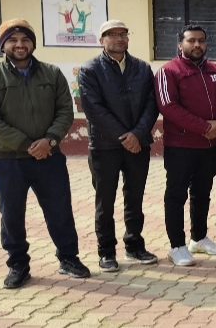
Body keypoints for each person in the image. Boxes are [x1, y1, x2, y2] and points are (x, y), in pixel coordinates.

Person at [0, 19, 89, 288]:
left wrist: (49, 140)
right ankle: (18, 265)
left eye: (25, 39)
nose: (20, 45)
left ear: (33, 43)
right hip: (9, 159)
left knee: (60, 210)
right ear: (3, 45)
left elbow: (65, 111)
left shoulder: (52, 74)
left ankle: (68, 258)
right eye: (13, 40)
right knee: (11, 214)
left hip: (49, 157)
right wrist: (26, 144)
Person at [77, 19, 159, 272]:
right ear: (101, 40)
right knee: (105, 201)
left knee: (135, 198)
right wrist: (125, 136)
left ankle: (134, 245)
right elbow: (94, 109)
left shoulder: (142, 68)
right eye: (112, 34)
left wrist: (137, 134)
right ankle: (106, 252)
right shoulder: (90, 70)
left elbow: (151, 104)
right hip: (105, 146)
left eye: (123, 33)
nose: (119, 38)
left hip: (138, 145)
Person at [155, 24, 216, 266]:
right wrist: (204, 127)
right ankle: (176, 246)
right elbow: (168, 106)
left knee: (202, 194)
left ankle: (198, 238)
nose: (197, 44)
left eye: (201, 40)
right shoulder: (168, 71)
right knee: (176, 195)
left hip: (209, 146)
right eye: (191, 40)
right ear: (180, 44)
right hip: (181, 146)